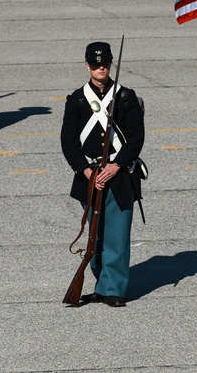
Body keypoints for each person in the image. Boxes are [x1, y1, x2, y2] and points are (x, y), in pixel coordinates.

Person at [60, 42, 145, 307]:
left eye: (105, 64)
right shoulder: (77, 99)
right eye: (95, 64)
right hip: (89, 174)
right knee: (95, 235)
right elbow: (68, 140)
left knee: (117, 234)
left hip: (119, 175)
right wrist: (84, 170)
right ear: (87, 66)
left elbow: (136, 137)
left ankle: (114, 289)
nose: (101, 68)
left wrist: (116, 165)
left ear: (110, 65)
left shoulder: (126, 96)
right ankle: (100, 283)